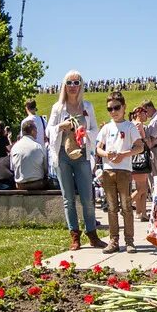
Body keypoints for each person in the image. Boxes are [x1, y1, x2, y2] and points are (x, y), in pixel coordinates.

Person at [46, 69, 104, 250]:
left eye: (76, 82)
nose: (72, 86)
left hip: (82, 154)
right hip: (63, 155)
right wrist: (60, 127)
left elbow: (96, 131)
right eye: (69, 83)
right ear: (64, 85)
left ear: (81, 85)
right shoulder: (58, 108)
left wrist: (86, 133)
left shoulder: (87, 107)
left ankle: (92, 234)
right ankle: (74, 235)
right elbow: (49, 131)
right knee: (68, 198)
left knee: (87, 197)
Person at [96, 91, 144, 253]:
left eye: (116, 108)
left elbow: (140, 146)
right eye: (110, 109)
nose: (113, 112)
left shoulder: (130, 126)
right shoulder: (107, 128)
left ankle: (129, 241)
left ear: (124, 107)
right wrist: (106, 154)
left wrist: (125, 154)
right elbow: (98, 148)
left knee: (126, 206)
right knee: (111, 207)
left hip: (124, 170)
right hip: (108, 171)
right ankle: (113, 240)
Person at [129, 106, 152, 222]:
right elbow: (141, 141)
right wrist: (147, 141)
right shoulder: (137, 125)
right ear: (139, 113)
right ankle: (126, 204)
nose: (146, 116)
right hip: (140, 158)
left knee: (141, 188)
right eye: (145, 113)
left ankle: (141, 212)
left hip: (135, 159)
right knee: (143, 188)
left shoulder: (133, 124)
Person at [11, 120, 49, 190]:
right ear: (32, 131)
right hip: (37, 184)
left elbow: (12, 168)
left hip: (20, 185)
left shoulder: (14, 147)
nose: (37, 132)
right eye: (36, 130)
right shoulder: (38, 146)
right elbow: (46, 169)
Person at [140, 99, 157, 185]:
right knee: (155, 177)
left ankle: (155, 196)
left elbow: (151, 140)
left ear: (149, 108)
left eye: (145, 111)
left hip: (155, 150)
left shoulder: (156, 120)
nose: (145, 114)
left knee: (155, 178)